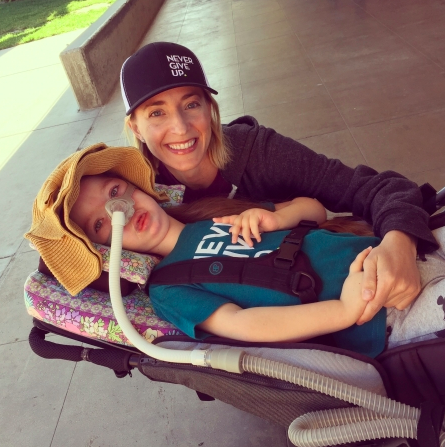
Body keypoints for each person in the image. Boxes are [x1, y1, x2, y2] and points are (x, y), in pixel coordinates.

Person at [119, 41, 439, 326]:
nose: (180, 127)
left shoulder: (259, 152)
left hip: (349, 263)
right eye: (156, 112)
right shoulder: (141, 197)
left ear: (210, 108)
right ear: (134, 126)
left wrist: (400, 244)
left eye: (191, 104)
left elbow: (373, 188)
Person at [25, 145, 444, 358]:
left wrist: (280, 218)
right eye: (101, 223)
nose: (120, 211)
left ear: (135, 186)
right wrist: (345, 311)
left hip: (396, 250)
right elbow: (244, 324)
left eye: (115, 192)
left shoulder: (212, 214)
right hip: (379, 314)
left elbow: (316, 211)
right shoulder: (168, 288)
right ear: (105, 247)